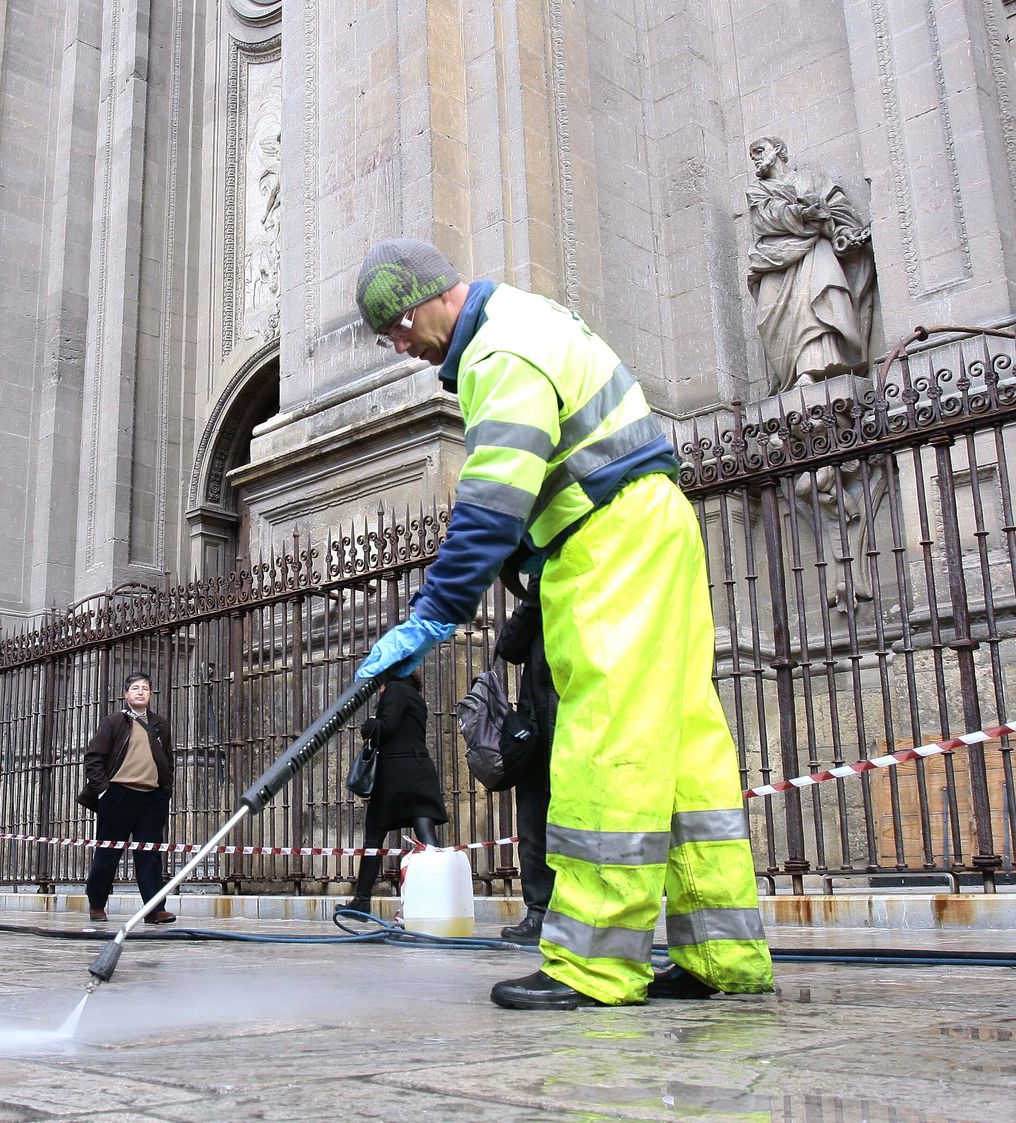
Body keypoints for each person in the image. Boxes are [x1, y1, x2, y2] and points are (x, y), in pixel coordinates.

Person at [352, 237, 774, 1010]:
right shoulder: (531, 319)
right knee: (682, 742)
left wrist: (431, 616)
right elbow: (540, 484)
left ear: (427, 301)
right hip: (652, 528)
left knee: (605, 741)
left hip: (608, 543)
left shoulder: (497, 354)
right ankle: (723, 952)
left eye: (397, 328)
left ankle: (593, 964)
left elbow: (491, 504)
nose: (400, 347)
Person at [746, 135, 876, 394]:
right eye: (753, 156)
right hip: (775, 260)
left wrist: (843, 234)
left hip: (816, 251)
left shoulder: (813, 180)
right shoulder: (757, 190)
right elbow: (764, 219)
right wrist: (802, 214)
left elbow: (839, 212)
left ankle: (814, 369)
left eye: (760, 151)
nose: (756, 159)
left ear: (778, 149)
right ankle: (792, 374)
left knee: (816, 304)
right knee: (768, 316)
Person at [340, 670, 448, 914]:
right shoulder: (416, 696)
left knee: (374, 835)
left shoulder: (396, 690)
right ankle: (439, 899)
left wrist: (368, 725)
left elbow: (385, 727)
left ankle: (362, 901)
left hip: (397, 774)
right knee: (425, 832)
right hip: (418, 770)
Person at [81, 673, 177, 925]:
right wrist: (104, 791)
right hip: (118, 794)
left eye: (145, 688)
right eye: (135, 688)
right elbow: (93, 757)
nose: (140, 692)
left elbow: (168, 760)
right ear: (126, 694)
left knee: (150, 855)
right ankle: (97, 903)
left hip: (152, 798)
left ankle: (154, 909)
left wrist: (165, 789)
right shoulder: (114, 722)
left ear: (150, 695)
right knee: (108, 852)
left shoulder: (160, 725)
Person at [492, 577, 556, 945]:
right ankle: (540, 913)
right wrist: (534, 599)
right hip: (537, 728)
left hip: (575, 722)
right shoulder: (540, 604)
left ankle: (558, 912)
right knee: (534, 826)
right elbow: (508, 646)